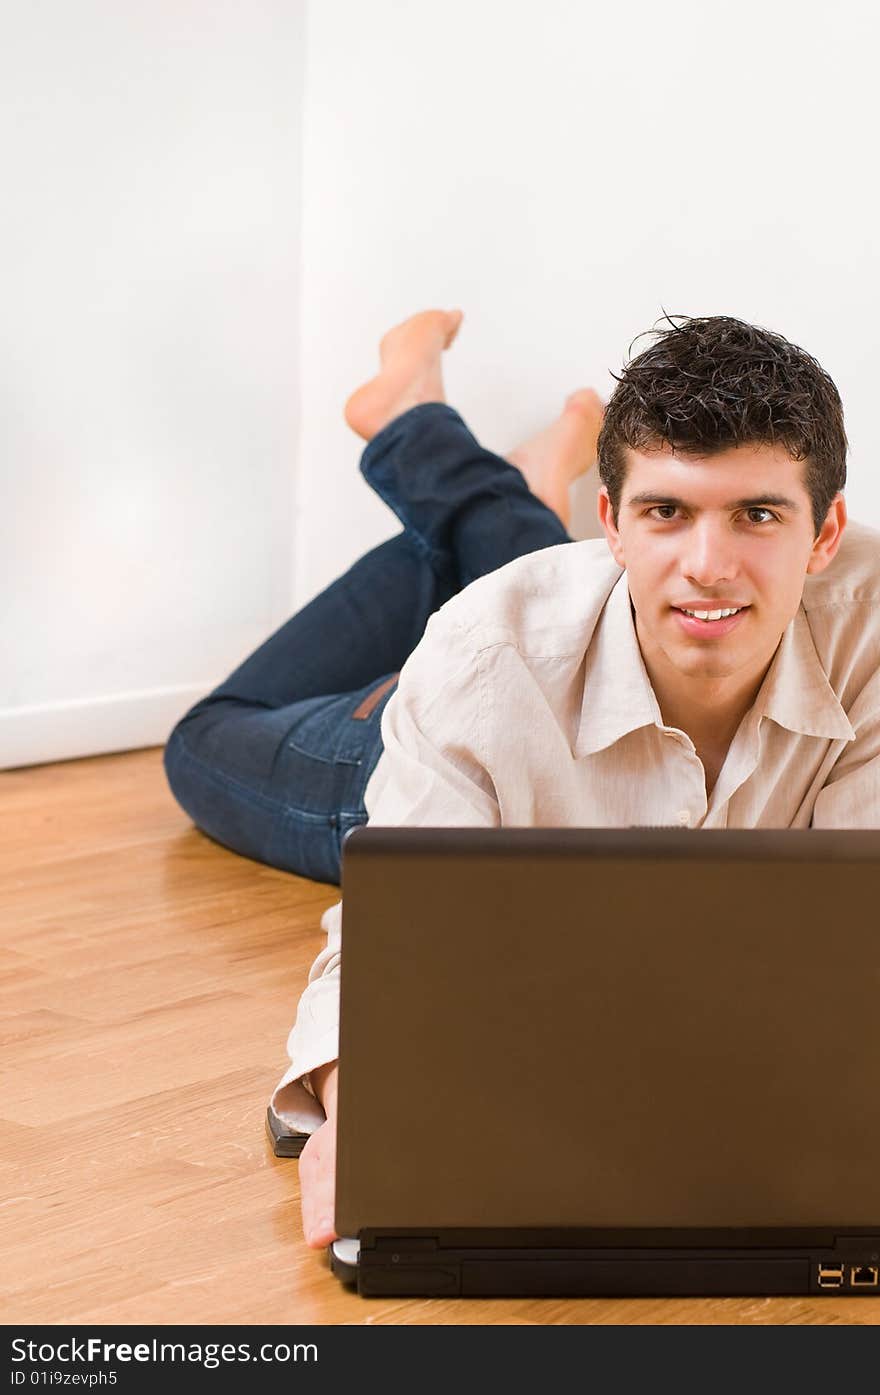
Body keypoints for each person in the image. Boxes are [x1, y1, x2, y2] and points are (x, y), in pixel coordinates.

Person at [164, 307, 880, 1253]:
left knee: (602, 592)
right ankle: (423, 426)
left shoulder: (862, 632)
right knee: (202, 741)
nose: (710, 564)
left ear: (826, 531)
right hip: (393, 750)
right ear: (613, 523)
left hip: (589, 624)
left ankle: (502, 477)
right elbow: (381, 945)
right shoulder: (480, 662)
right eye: (664, 509)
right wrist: (366, 1109)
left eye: (758, 513)